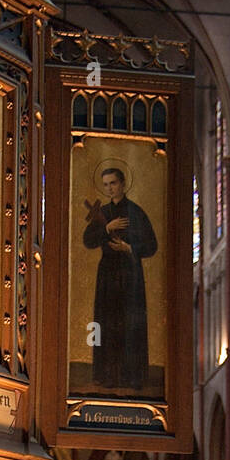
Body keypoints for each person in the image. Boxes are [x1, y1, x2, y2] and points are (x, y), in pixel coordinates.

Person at [82, 167, 158, 391]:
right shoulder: (102, 212)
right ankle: (107, 376)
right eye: (105, 185)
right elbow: (88, 240)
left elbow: (151, 245)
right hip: (107, 275)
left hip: (130, 274)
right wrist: (106, 228)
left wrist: (129, 247)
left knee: (130, 324)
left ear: (123, 184)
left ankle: (132, 377)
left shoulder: (135, 212)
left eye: (113, 183)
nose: (109, 188)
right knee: (106, 324)